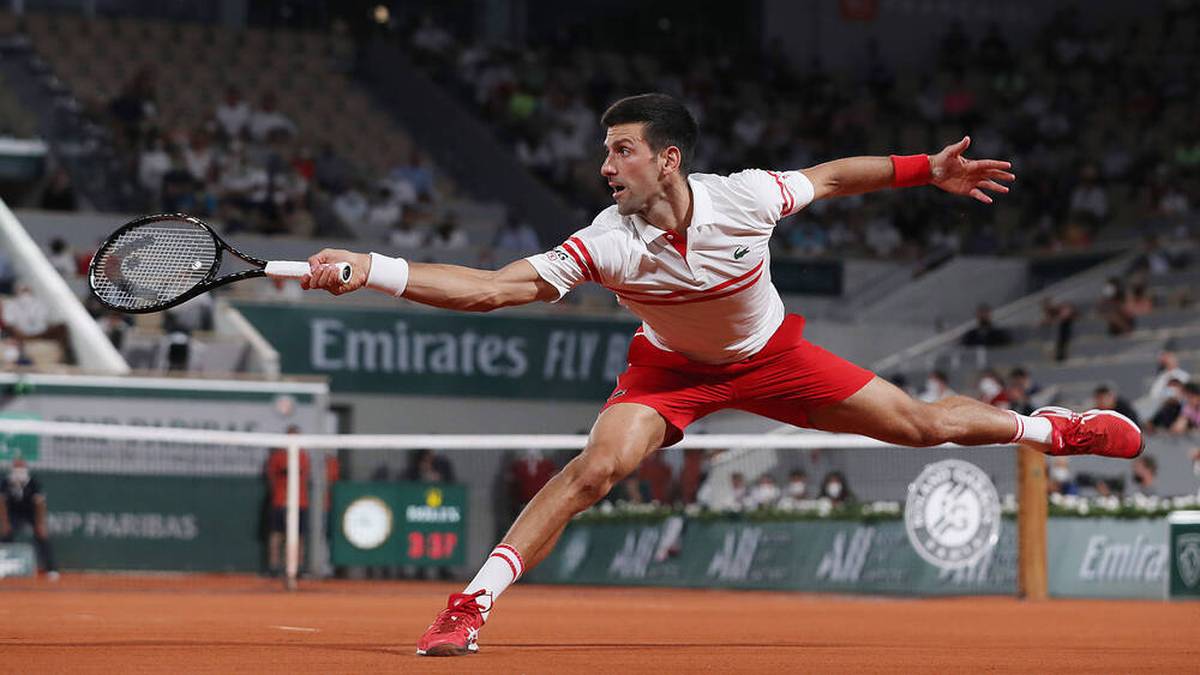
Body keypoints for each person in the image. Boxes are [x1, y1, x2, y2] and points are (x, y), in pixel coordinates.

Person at [300, 93, 1142, 656]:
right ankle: (469, 605)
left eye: (622, 151)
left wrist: (929, 168)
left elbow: (833, 177)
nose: (607, 167)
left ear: (667, 159)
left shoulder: (746, 197)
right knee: (595, 468)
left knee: (920, 425)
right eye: (605, 152)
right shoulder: (609, 240)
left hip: (774, 358)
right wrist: (371, 268)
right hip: (670, 372)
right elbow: (492, 289)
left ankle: (1051, 428)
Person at [0, 459, 59, 580]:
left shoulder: (33, 482)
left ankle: (51, 569)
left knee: (42, 537)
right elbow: (2, 503)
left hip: (31, 513)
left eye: (21, 468)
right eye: (16, 468)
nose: (18, 471)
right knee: (5, 536)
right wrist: (5, 523)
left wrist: (40, 524)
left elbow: (40, 504)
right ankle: (4, 566)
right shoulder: (5, 482)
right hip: (13, 513)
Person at [264, 426, 310, 577]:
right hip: (280, 502)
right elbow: (271, 479)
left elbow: (305, 478)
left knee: (299, 536)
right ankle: (274, 567)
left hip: (300, 503)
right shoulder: (277, 457)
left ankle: (297, 567)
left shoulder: (303, 456)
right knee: (276, 534)